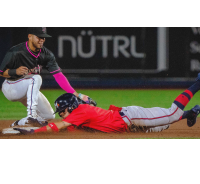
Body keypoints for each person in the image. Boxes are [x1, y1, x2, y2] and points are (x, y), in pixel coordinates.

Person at [14, 73, 200, 135]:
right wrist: (32, 125)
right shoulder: (77, 117)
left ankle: (198, 83)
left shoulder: (79, 111)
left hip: (131, 117)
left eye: (62, 111)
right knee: (164, 125)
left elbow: (60, 125)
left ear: (70, 107)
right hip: (129, 126)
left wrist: (33, 132)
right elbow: (59, 127)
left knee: (172, 114)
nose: (61, 114)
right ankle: (191, 113)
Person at [0, 27, 96, 127]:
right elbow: (1, 72)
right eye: (39, 37)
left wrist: (76, 94)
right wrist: (15, 71)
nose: (42, 40)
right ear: (30, 36)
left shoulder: (47, 54)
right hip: (11, 87)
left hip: (29, 88)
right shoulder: (16, 51)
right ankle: (31, 115)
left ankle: (19, 123)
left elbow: (58, 76)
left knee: (49, 115)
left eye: (44, 37)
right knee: (36, 78)